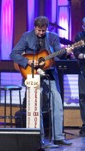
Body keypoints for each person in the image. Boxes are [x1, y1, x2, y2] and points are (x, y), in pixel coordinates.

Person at [10, 16, 73, 146]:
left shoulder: (53, 37)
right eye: (39, 30)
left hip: (49, 74)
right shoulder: (27, 36)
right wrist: (27, 61)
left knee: (57, 101)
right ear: (35, 27)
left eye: (43, 31)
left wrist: (66, 52)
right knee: (35, 104)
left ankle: (58, 137)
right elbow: (14, 54)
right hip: (32, 74)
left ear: (47, 28)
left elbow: (58, 53)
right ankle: (40, 138)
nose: (41, 33)